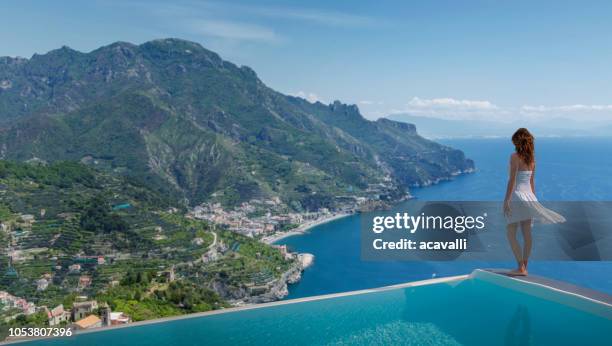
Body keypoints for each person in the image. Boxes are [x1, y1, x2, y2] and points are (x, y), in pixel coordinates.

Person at [503, 128, 565, 276]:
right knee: (527, 234)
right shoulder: (532, 160)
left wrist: (506, 201)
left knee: (511, 233)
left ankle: (520, 267)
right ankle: (525, 266)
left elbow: (512, 181)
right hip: (530, 197)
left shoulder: (514, 157)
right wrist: (534, 201)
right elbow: (531, 183)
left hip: (517, 197)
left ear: (518, 142)